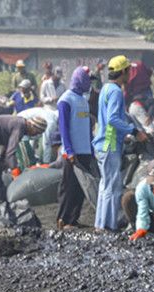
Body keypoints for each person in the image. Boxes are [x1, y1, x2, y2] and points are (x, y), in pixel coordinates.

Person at [93, 55, 148, 232]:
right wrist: (134, 131)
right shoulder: (116, 91)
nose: (129, 74)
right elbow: (113, 119)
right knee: (113, 186)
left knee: (105, 185)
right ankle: (109, 225)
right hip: (109, 143)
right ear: (123, 72)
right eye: (128, 70)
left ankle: (100, 224)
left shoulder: (106, 88)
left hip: (104, 141)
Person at [0, 114, 48, 204]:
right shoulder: (20, 126)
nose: (35, 135)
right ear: (32, 126)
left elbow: (8, 146)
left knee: (0, 164)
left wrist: (3, 160)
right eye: (36, 132)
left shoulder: (20, 125)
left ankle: (1, 192)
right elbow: (11, 153)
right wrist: (15, 172)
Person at [56, 66, 97, 230]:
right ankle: (63, 219)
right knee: (68, 186)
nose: (90, 84)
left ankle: (73, 219)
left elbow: (87, 127)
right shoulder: (65, 100)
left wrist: (91, 148)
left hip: (85, 150)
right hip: (72, 152)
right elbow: (63, 129)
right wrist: (69, 150)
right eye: (88, 80)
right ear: (80, 79)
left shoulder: (83, 100)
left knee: (81, 187)